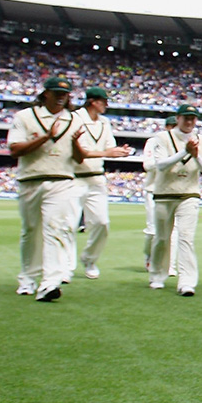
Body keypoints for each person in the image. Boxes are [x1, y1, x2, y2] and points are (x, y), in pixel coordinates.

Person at [7, 76, 87, 302]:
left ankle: (50, 283)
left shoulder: (74, 120)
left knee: (56, 229)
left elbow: (80, 159)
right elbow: (15, 150)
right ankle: (27, 279)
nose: (61, 97)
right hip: (31, 179)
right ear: (46, 94)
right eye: (57, 93)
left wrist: (75, 144)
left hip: (62, 180)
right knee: (31, 231)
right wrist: (46, 138)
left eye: (65, 94)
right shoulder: (24, 116)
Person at [148, 103, 202, 296]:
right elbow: (160, 165)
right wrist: (185, 152)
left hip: (189, 194)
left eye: (193, 118)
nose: (190, 121)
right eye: (186, 118)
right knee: (161, 238)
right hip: (164, 194)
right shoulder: (162, 137)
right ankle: (157, 276)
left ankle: (187, 282)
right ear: (178, 118)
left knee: (186, 238)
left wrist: (195, 155)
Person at [67, 86, 132, 280]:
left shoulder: (104, 122)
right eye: (104, 102)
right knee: (68, 225)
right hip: (74, 178)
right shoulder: (74, 118)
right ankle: (66, 267)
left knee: (102, 223)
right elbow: (78, 151)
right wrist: (107, 153)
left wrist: (120, 150)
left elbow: (108, 147)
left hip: (96, 178)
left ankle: (89, 258)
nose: (106, 106)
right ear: (94, 101)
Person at [142, 116, 179, 275]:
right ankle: (149, 255)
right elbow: (148, 165)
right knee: (153, 230)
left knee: (174, 230)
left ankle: (169, 265)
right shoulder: (154, 141)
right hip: (153, 189)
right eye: (171, 127)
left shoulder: (182, 143)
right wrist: (167, 161)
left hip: (174, 191)